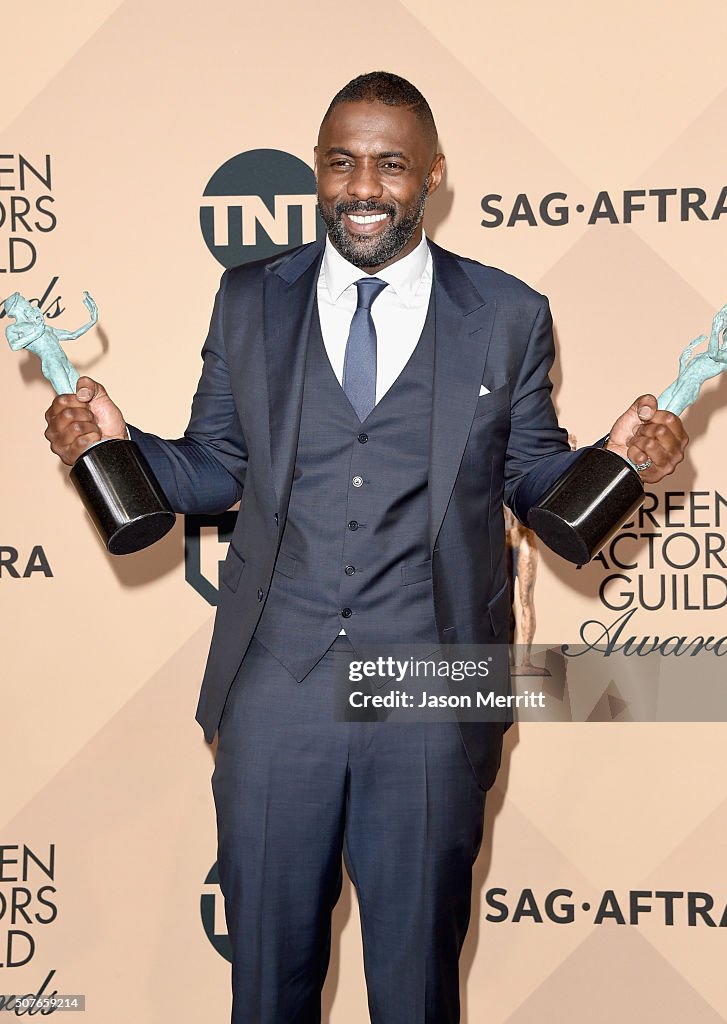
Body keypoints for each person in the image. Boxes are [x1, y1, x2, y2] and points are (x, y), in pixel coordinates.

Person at [43, 72, 688, 1024]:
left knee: (417, 988)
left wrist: (623, 463)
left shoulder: (507, 314)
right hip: (277, 682)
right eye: (342, 162)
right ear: (317, 169)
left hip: (434, 689)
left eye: (390, 164)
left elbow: (533, 480)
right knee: (266, 987)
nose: (363, 186)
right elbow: (218, 467)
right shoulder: (250, 299)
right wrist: (112, 445)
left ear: (432, 174)